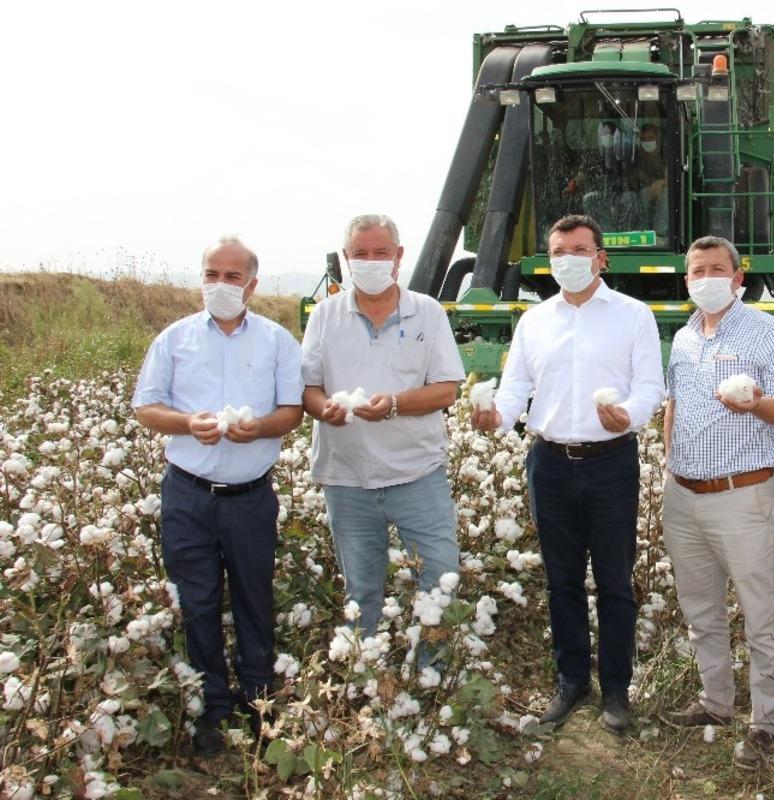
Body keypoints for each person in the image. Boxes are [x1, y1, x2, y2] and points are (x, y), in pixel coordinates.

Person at [472, 214, 666, 733]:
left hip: (610, 461)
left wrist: (629, 414)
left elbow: (650, 385)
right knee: (561, 580)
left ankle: (617, 690)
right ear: (549, 260)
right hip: (550, 464)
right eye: (559, 252)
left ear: (601, 257)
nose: (569, 260)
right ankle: (571, 680)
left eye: (580, 250)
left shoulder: (633, 315)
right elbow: (515, 388)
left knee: (614, 581)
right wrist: (497, 415)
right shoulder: (534, 321)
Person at [133, 236, 303, 756]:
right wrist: (187, 422)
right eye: (213, 274)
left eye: (233, 277)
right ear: (201, 278)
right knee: (197, 600)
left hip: (251, 496)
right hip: (188, 495)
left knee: (255, 595)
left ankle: (257, 698)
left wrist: (259, 429)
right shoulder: (174, 339)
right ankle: (210, 706)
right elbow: (146, 407)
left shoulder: (277, 341)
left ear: (252, 284)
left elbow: (292, 411)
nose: (221, 285)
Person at [660, 236, 774, 767]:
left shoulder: (770, 333)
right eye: (697, 270)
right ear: (687, 281)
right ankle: (716, 702)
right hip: (683, 496)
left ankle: (766, 723)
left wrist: (755, 403)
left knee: (760, 613)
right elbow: (674, 404)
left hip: (741, 496)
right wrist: (669, 463)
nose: (706, 278)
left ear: (739, 279)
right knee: (701, 609)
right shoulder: (683, 338)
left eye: (717, 269)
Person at [300, 214, 464, 637]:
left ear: (398, 257)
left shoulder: (427, 313)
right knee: (361, 590)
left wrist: (394, 404)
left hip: (417, 474)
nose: (371, 262)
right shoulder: (324, 316)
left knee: (439, 581)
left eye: (381, 253)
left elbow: (447, 390)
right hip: (347, 478)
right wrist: (324, 409)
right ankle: (366, 677)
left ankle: (431, 676)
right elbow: (309, 388)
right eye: (360, 254)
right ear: (346, 258)